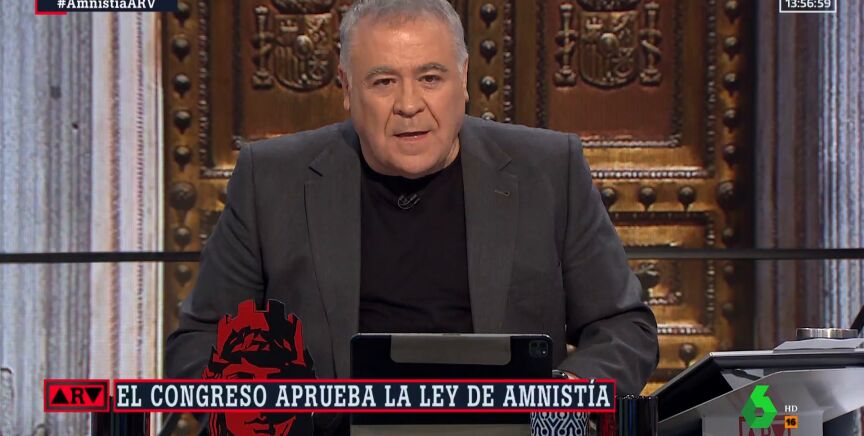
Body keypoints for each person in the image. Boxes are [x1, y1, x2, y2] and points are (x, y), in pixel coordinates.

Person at [166, 0, 659, 434]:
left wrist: (562, 399)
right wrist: (265, 415)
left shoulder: (549, 169)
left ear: (463, 79)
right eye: (383, 82)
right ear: (347, 88)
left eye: (430, 78)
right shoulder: (271, 179)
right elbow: (199, 343)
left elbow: (623, 327)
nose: (408, 105)